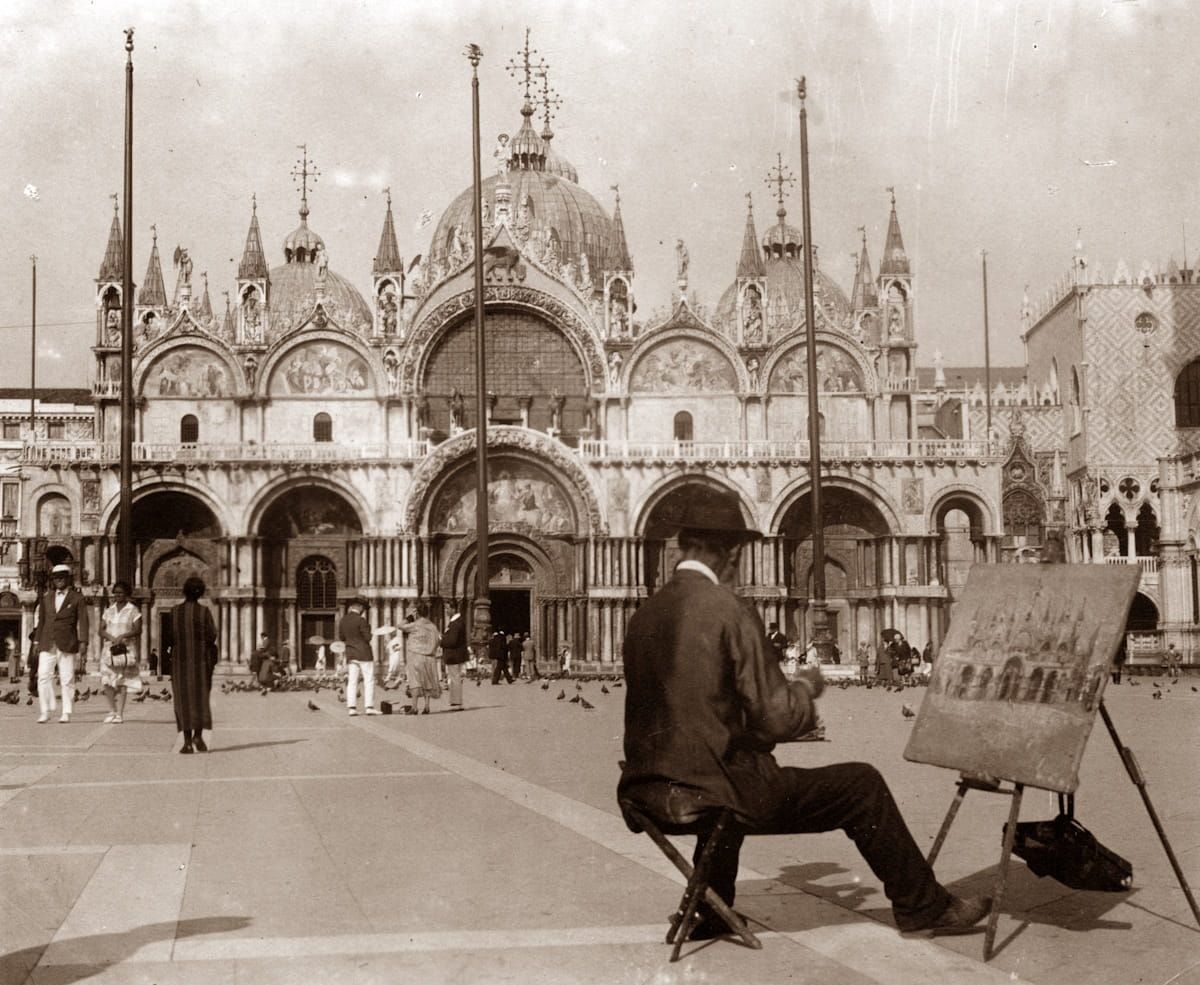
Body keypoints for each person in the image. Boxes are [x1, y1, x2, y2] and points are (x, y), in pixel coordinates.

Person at [617, 491, 989, 942]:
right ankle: (922, 905)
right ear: (728, 551)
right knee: (861, 785)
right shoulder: (729, 610)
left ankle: (708, 910)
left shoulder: (643, 616)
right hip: (715, 792)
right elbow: (779, 719)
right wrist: (805, 689)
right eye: (738, 554)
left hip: (648, 792)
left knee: (728, 770)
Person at [163, 576, 217, 753]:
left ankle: (186, 742)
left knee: (183, 700)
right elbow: (212, 636)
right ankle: (198, 736)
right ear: (200, 593)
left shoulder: (174, 612)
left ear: (184, 591)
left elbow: (168, 638)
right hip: (201, 663)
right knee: (200, 698)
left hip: (180, 663)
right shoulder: (204, 612)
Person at [31, 563, 89, 724]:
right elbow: (41, 620)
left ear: (68, 579)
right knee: (43, 676)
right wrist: (36, 640)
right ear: (53, 580)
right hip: (47, 641)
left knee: (67, 678)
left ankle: (66, 712)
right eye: (56, 578)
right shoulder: (46, 597)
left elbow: (83, 621)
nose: (59, 580)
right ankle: (46, 710)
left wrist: (83, 642)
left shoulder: (77, 598)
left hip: (67, 641)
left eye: (62, 577)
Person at [99, 580, 142, 724]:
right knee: (107, 680)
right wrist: (111, 637)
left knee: (122, 681)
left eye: (120, 593)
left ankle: (120, 714)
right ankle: (112, 710)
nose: (117, 595)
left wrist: (123, 636)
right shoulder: (108, 610)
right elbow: (101, 629)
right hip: (109, 648)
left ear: (126, 594)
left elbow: (138, 629)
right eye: (115, 593)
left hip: (125, 649)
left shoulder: (133, 610)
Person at [338, 598, 379, 717]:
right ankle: (369, 707)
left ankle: (352, 708)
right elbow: (368, 638)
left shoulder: (343, 620)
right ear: (360, 607)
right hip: (364, 654)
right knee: (369, 680)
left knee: (352, 681)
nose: (363, 611)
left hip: (351, 653)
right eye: (363, 609)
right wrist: (369, 629)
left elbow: (341, 637)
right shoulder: (361, 620)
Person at [398, 603, 440, 714]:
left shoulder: (415, 625)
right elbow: (437, 641)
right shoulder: (433, 627)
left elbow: (400, 625)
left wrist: (410, 617)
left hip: (415, 656)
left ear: (418, 613)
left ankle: (414, 707)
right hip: (429, 657)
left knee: (415, 681)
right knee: (427, 682)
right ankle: (426, 707)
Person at [440, 605, 468, 711]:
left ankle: (456, 702)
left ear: (453, 609)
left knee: (455, 679)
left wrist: (441, 640)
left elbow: (452, 641)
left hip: (454, 656)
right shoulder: (458, 621)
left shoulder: (455, 623)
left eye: (447, 608)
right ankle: (455, 701)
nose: (446, 610)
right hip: (456, 655)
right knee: (454, 678)